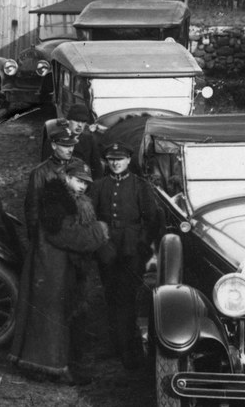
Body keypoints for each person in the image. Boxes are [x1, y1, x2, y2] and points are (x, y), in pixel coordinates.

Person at [10, 159, 111, 384]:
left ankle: (56, 365)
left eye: (86, 182)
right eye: (78, 180)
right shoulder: (55, 202)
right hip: (51, 270)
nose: (83, 186)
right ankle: (48, 367)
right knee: (51, 319)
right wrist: (98, 231)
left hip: (61, 269)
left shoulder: (74, 200)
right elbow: (67, 234)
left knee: (59, 318)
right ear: (66, 177)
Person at [88, 141, 163, 370]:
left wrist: (145, 248)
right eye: (111, 159)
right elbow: (90, 217)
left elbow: (152, 219)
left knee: (127, 297)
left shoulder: (140, 186)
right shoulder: (99, 186)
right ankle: (115, 346)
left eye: (120, 159)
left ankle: (130, 351)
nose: (116, 163)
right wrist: (100, 244)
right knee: (111, 294)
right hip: (107, 246)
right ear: (106, 161)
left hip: (133, 249)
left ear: (129, 160)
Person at [25, 121, 79, 245]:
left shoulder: (78, 166)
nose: (70, 150)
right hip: (51, 233)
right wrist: (35, 239)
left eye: (72, 145)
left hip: (75, 231)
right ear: (54, 146)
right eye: (65, 146)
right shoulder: (40, 172)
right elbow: (32, 208)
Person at [65, 104, 106, 176]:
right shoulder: (57, 139)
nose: (80, 125)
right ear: (68, 120)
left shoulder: (89, 140)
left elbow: (96, 168)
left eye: (83, 121)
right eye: (76, 120)